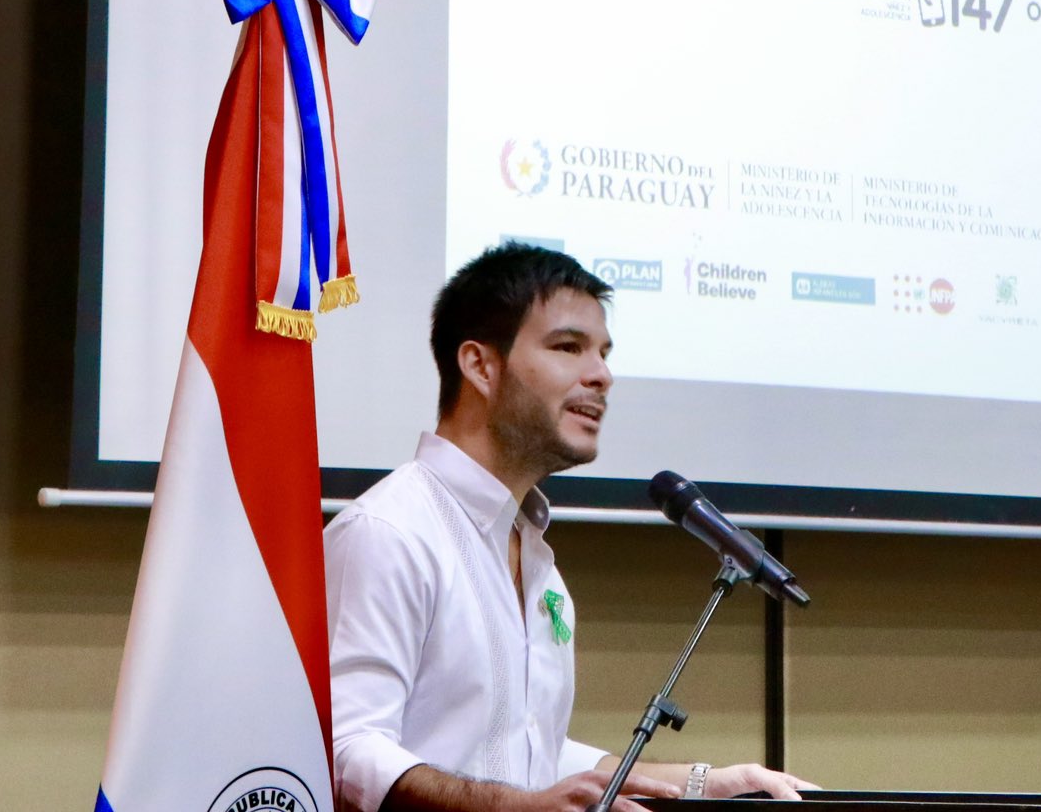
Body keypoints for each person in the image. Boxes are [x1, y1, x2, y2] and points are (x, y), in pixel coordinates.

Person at [324, 244, 814, 812]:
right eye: (568, 347)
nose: (601, 375)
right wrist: (515, 808)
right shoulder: (387, 533)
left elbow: (533, 756)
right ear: (480, 366)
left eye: (604, 353)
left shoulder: (537, 559)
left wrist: (703, 783)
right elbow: (345, 751)